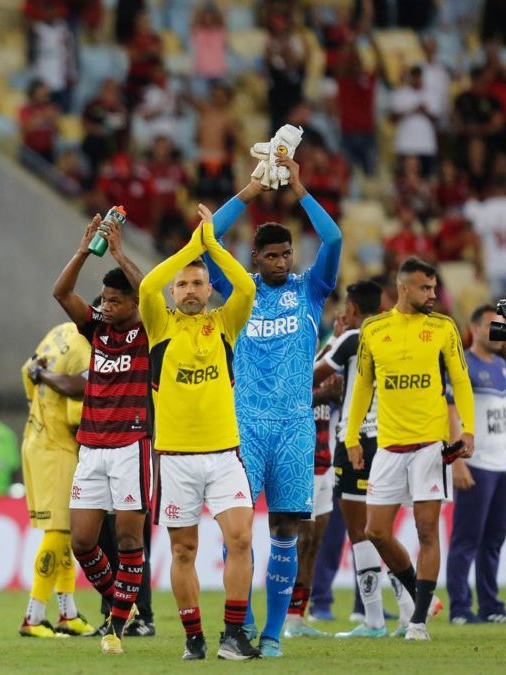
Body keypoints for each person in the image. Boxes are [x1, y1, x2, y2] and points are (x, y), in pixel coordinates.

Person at [203, 156, 342, 656]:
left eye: (287, 254)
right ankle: (244, 624)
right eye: (273, 256)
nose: (283, 262)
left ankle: (271, 635)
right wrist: (249, 191)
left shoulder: (310, 290)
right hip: (243, 425)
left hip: (294, 426)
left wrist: (300, 188)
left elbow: (335, 240)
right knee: (237, 528)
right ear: (256, 259)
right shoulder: (237, 292)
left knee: (286, 529)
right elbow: (204, 239)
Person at [139, 204, 259, 661]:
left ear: (210, 289)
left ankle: (233, 634)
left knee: (241, 539)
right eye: (184, 283)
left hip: (225, 454)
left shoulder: (225, 324)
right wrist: (192, 245)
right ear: (175, 291)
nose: (190, 289)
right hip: (175, 458)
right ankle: (194, 637)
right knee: (183, 549)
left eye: (198, 282)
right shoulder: (159, 324)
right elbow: (148, 285)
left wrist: (213, 246)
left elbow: (246, 285)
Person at [343, 257, 476, 641]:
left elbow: (461, 380)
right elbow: (363, 386)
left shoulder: (443, 328)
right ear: (403, 288)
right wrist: (352, 437)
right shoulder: (374, 329)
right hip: (388, 446)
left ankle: (417, 620)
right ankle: (421, 590)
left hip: (429, 447)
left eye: (435, 288)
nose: (433, 295)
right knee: (376, 531)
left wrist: (466, 429)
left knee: (426, 530)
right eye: (425, 288)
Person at [52, 213, 149, 655]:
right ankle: (119, 605)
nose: (106, 306)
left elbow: (151, 293)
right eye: (104, 300)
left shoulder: (150, 333)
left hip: (131, 444)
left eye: (115, 301)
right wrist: (82, 247)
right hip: (91, 446)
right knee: (83, 541)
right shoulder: (97, 331)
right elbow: (61, 293)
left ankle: (117, 627)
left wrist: (119, 253)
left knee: (129, 540)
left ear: (133, 304)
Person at [314, 281, 418, 638]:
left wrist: (334, 339)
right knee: (379, 531)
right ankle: (398, 614)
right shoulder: (394, 334)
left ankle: (387, 617)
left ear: (353, 309)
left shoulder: (354, 337)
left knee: (363, 532)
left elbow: (312, 375)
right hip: (392, 439)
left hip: (356, 439)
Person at [18, 322, 94, 638]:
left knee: (61, 532)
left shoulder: (61, 332)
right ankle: (33, 617)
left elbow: (27, 370)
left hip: (34, 439)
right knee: (59, 533)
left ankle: (68, 613)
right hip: (58, 448)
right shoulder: (85, 352)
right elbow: (77, 415)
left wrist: (37, 410)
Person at [446, 305, 506, 624]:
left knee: (494, 539)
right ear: (474, 327)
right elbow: (450, 411)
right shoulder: (463, 365)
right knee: (466, 538)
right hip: (477, 463)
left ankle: (490, 604)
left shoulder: (501, 366)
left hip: (502, 466)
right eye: (492, 326)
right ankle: (459, 607)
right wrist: (456, 460)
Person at [283, 341, 342, 639]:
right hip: (300, 465)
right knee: (301, 540)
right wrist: (325, 394)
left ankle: (297, 617)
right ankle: (284, 615)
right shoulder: (289, 365)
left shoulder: (322, 365)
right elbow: (287, 403)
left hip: (324, 463)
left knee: (315, 541)